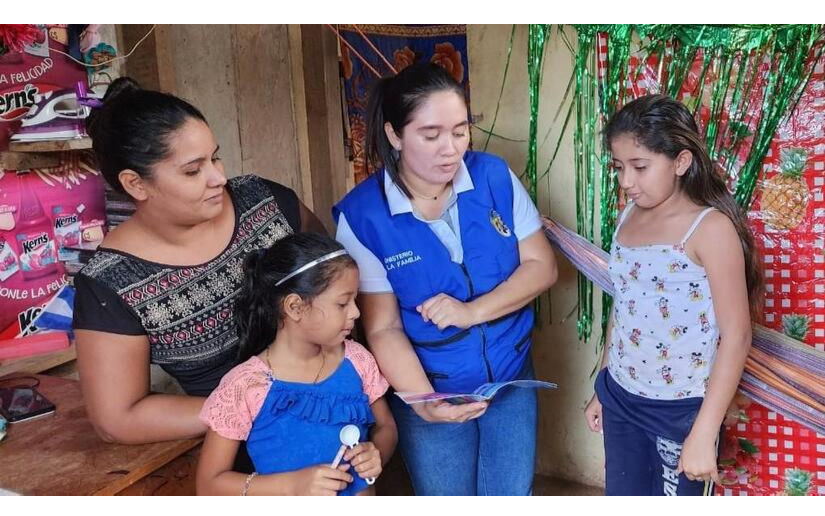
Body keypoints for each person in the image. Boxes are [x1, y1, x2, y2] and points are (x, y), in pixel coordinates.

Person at [334, 62, 558, 495]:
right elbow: (383, 327)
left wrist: (471, 312)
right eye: (431, 135)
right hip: (431, 384)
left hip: (509, 376)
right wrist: (425, 404)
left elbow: (541, 266)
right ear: (395, 135)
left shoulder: (493, 177)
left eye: (460, 131)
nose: (450, 149)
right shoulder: (363, 217)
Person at [72, 77, 326, 446]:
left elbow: (335, 272)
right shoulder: (111, 283)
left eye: (215, 157)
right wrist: (252, 407)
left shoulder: (265, 203)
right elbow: (118, 418)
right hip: (243, 448)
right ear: (135, 184)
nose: (219, 178)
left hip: (338, 404)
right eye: (193, 170)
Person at [583, 94, 762, 496]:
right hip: (621, 398)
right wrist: (603, 385)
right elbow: (623, 308)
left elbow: (737, 336)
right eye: (619, 167)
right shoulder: (628, 217)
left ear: (681, 162)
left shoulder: (709, 229)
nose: (626, 181)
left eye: (640, 167)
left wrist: (704, 431)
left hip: (681, 411)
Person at [195, 233, 397, 496]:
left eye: (355, 300)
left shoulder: (356, 360)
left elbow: (386, 427)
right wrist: (293, 485)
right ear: (294, 307)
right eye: (342, 303)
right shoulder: (246, 385)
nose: (356, 312)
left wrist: (376, 452)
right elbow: (209, 486)